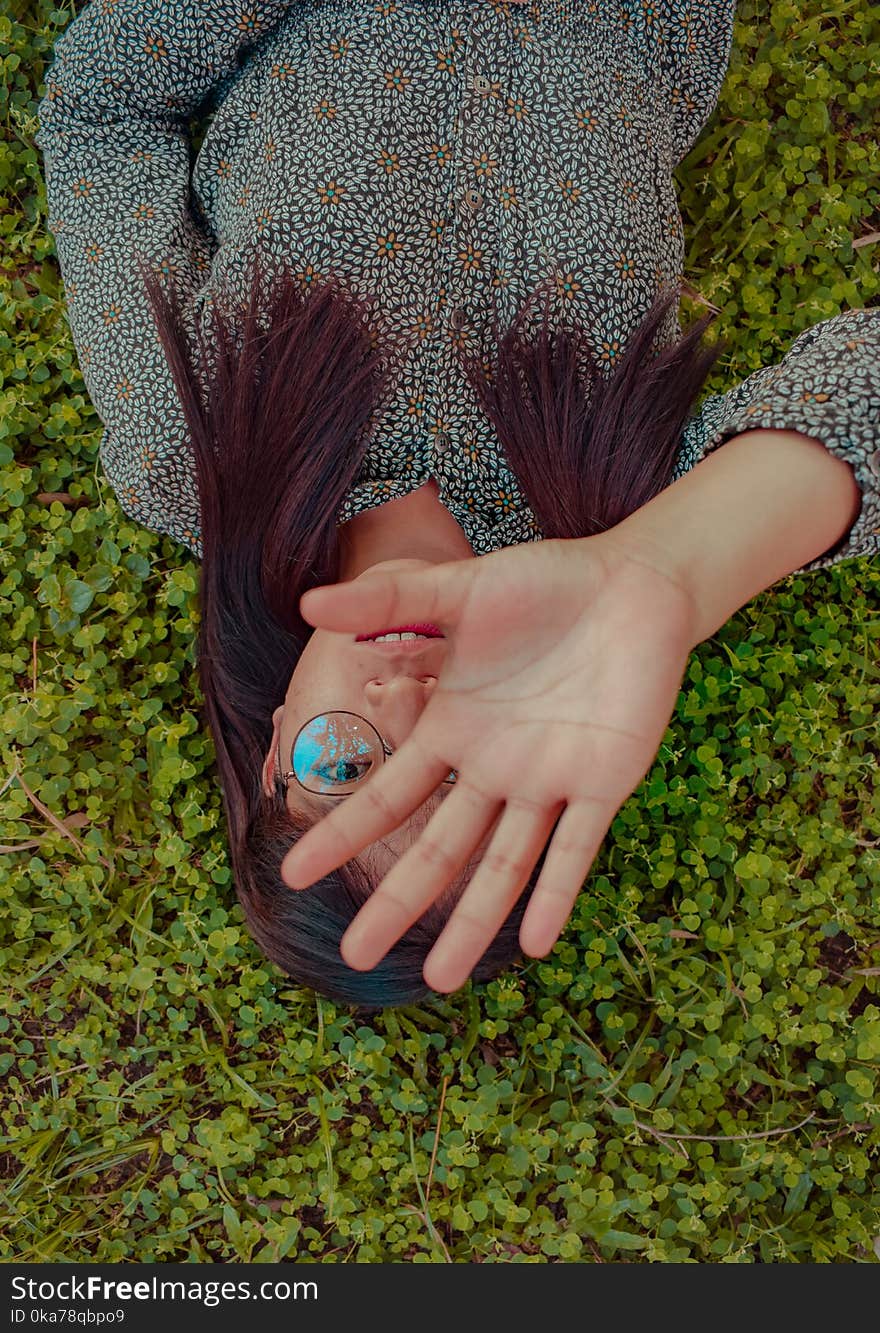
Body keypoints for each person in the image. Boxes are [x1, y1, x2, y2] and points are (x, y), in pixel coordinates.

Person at [36, 1, 878, 1008]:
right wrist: (670, 569)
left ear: (272, 749)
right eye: (450, 767)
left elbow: (103, 113)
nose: (405, 702)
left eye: (344, 762)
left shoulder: (188, 452)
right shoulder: (630, 518)